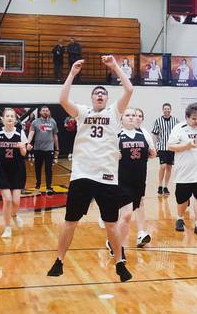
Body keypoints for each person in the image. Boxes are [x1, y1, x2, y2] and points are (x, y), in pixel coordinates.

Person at [47, 56, 134, 282]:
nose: (100, 95)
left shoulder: (115, 112)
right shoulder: (83, 112)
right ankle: (59, 260)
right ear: (91, 97)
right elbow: (62, 99)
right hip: (82, 174)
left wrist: (115, 67)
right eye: (97, 93)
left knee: (111, 223)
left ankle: (119, 263)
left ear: (107, 98)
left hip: (106, 176)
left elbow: (129, 89)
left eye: (103, 93)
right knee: (70, 221)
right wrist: (72, 73)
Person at [108, 107, 156, 256]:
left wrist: (153, 154)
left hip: (139, 180)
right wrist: (113, 156)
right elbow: (106, 156)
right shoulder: (116, 135)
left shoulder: (143, 135)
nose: (131, 117)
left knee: (127, 215)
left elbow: (152, 154)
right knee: (127, 215)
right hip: (122, 181)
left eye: (134, 115)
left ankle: (114, 242)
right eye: (127, 115)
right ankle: (117, 247)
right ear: (121, 119)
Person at [168, 102, 197, 235]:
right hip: (184, 171)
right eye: (193, 119)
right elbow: (170, 146)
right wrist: (186, 146)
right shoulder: (179, 128)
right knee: (182, 198)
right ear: (187, 117)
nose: (196, 121)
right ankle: (180, 218)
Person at [0, 108, 28, 238]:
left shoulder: (21, 133)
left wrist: (22, 148)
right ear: (3, 119)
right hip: (2, 170)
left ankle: (14, 215)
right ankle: (7, 227)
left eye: (12, 116)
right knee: (8, 200)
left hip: (17, 170)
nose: (10, 118)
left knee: (16, 201)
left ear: (15, 120)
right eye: (7, 116)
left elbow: (24, 153)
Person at [131, 107, 156, 247]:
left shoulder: (145, 133)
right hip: (122, 174)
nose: (137, 118)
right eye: (135, 115)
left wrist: (152, 153)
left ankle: (141, 233)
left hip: (140, 173)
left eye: (140, 115)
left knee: (139, 202)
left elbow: (152, 153)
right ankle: (113, 236)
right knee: (123, 207)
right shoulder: (120, 133)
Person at [27, 106, 59, 194]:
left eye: (47, 110)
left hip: (49, 149)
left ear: (49, 112)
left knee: (48, 169)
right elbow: (31, 133)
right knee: (38, 168)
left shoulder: (53, 122)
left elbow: (55, 136)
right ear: (40, 112)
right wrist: (28, 143)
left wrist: (57, 148)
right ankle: (38, 185)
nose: (45, 112)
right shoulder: (35, 122)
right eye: (43, 110)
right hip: (38, 149)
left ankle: (49, 187)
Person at [151, 103, 179, 196]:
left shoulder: (175, 120)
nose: (167, 110)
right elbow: (155, 134)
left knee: (169, 167)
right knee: (163, 166)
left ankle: (165, 186)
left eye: (168, 109)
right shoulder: (158, 120)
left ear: (170, 110)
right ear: (162, 110)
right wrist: (154, 147)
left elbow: (179, 134)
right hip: (162, 147)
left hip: (171, 147)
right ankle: (160, 185)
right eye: (165, 109)